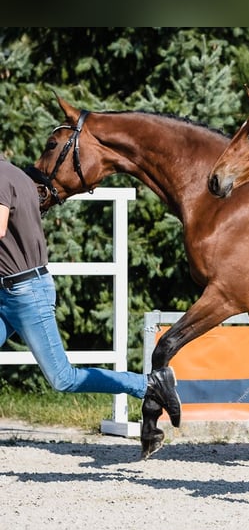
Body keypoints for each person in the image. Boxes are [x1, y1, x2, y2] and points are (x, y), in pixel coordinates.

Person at [0, 151, 181, 426]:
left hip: (27, 293)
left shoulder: (1, 178)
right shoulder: (16, 175)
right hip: (12, 289)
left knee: (63, 378)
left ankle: (148, 384)